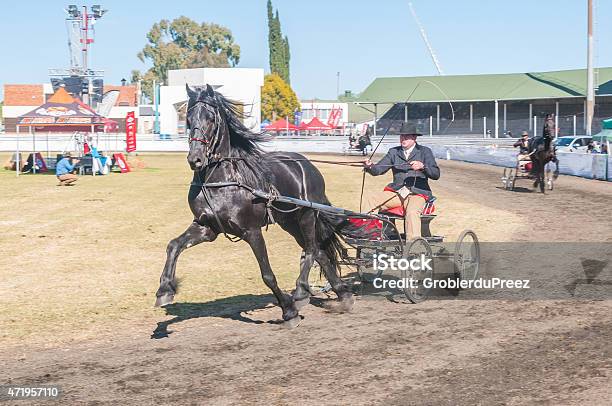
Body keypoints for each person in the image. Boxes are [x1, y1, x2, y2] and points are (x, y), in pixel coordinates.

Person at [363, 122, 440, 240]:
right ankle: (370, 235)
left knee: (412, 212)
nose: (403, 138)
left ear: (414, 138)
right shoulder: (394, 152)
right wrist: (370, 166)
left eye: (407, 136)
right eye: (402, 136)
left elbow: (436, 174)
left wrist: (423, 166)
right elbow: (378, 169)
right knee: (370, 198)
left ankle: (413, 246)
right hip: (398, 193)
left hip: (418, 194)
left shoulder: (425, 151)